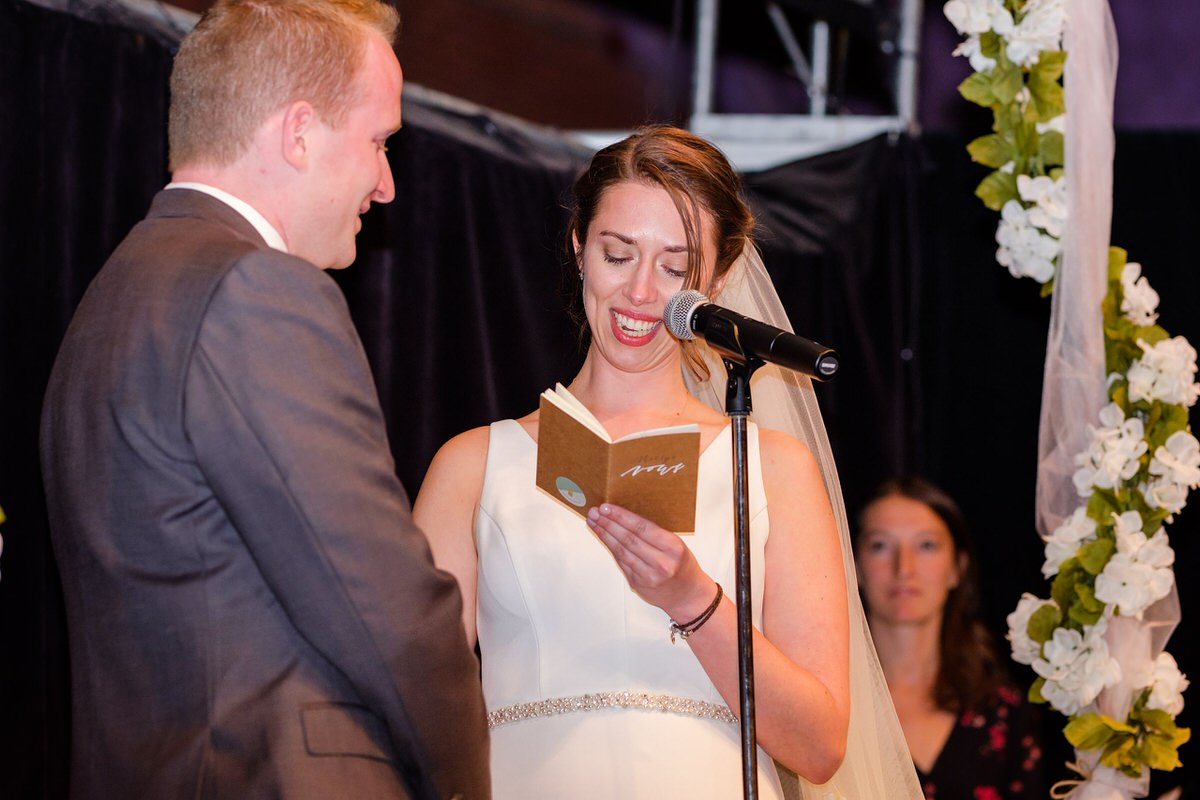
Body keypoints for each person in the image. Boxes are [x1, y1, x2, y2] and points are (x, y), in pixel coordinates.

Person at [39, 1, 489, 797]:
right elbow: (381, 600)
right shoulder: (255, 289)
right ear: (299, 133)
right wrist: (462, 779)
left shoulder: (111, 301)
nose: (386, 186)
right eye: (380, 142)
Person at [414, 125, 923, 799]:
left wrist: (696, 601)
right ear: (578, 248)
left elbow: (820, 745)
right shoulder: (476, 463)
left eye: (674, 267)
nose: (640, 293)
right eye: (618, 254)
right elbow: (410, 699)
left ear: (711, 280)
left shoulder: (770, 466)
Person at [855, 476, 1045, 799]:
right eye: (881, 546)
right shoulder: (833, 707)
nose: (905, 568)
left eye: (926, 545)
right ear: (855, 565)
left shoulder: (1001, 710)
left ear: (957, 567)